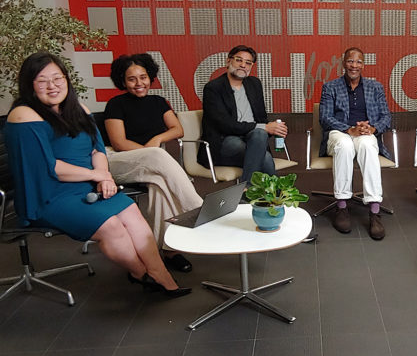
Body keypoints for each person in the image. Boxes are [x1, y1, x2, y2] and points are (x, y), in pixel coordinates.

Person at [4, 52, 190, 297]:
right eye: (42, 81)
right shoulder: (24, 115)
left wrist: (103, 174)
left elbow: (97, 149)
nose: (52, 86)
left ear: (67, 80)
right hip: (50, 194)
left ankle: (162, 275)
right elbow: (49, 168)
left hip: (87, 185)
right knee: (112, 225)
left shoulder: (78, 108)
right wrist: (98, 176)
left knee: (132, 212)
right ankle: (140, 274)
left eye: (58, 78)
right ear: (29, 85)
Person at [104, 53, 203, 273]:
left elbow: (178, 129)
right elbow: (119, 143)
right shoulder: (115, 104)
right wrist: (151, 151)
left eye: (143, 77)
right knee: (158, 157)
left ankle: (167, 250)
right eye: (132, 79)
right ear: (122, 81)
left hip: (152, 165)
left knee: (159, 183)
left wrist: (158, 139)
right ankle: (198, 209)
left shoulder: (158, 102)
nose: (139, 83)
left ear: (151, 77)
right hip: (117, 161)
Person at [319, 47, 392, 240]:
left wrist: (373, 129)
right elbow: (325, 118)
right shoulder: (330, 87)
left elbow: (386, 116)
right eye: (351, 61)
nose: (354, 65)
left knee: (368, 146)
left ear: (363, 64)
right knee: (344, 145)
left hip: (365, 132)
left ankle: (374, 210)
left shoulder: (375, 87)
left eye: (359, 61)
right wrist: (348, 128)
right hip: (340, 132)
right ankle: (342, 206)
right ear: (343, 63)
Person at [199, 45, 287, 183]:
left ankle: (248, 190)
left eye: (248, 63)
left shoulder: (254, 84)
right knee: (261, 148)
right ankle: (275, 199)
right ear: (228, 61)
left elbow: (261, 118)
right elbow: (224, 125)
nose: (243, 65)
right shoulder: (214, 88)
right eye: (239, 60)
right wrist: (264, 127)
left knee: (262, 146)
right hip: (225, 142)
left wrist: (274, 128)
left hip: (253, 140)